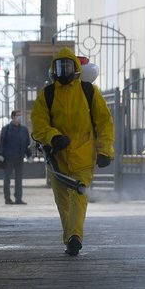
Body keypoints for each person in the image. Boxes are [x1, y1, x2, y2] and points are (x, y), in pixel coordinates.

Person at [31, 47, 115, 256]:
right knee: (63, 202)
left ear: (76, 68)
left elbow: (104, 122)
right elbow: (38, 124)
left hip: (83, 157)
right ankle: (70, 237)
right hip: (57, 160)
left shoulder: (89, 92)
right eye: (60, 67)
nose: (64, 71)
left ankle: (75, 237)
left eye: (68, 66)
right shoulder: (48, 95)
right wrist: (53, 137)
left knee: (78, 195)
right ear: (54, 70)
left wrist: (105, 151)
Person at [0, 110, 32, 205]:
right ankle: (7, 199)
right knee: (7, 179)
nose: (20, 117)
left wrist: (29, 155)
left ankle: (18, 199)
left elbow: (27, 144)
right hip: (8, 158)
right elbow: (1, 142)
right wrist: (0, 154)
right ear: (13, 117)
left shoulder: (24, 130)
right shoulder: (6, 129)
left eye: (20, 115)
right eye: (18, 116)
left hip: (19, 158)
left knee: (19, 180)